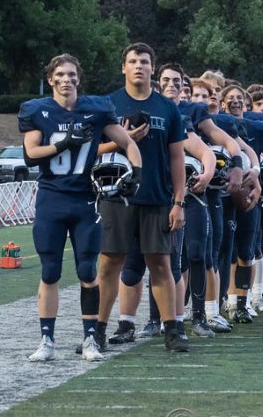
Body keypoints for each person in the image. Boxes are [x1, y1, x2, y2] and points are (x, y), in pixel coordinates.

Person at [20, 54, 141, 362]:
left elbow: (127, 142)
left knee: (88, 270)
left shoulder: (96, 109)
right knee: (50, 271)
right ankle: (46, 340)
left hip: (85, 200)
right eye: (60, 74)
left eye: (72, 74)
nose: (66, 79)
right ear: (51, 79)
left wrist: (136, 173)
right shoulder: (38, 110)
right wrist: (64, 143)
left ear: (78, 78)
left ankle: (90, 339)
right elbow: (31, 154)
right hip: (51, 199)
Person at [95, 43, 190, 352]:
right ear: (123, 67)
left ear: (153, 68)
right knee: (110, 264)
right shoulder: (107, 104)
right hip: (116, 196)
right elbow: (91, 150)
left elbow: (177, 159)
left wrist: (179, 201)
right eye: (133, 61)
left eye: (145, 61)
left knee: (160, 263)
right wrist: (122, 142)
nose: (139, 66)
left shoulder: (167, 107)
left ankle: (172, 329)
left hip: (156, 196)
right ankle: (96, 329)